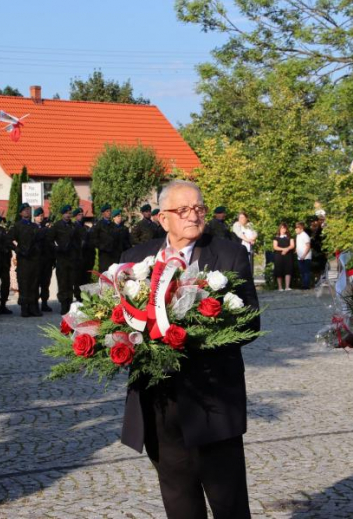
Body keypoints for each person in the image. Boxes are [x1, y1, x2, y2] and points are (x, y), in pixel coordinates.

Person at [120, 179, 260, 519]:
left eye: (198, 208)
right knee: (179, 503)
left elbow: (250, 323)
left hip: (212, 401)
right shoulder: (134, 258)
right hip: (158, 405)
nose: (193, 216)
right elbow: (119, 320)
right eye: (182, 210)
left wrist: (195, 332)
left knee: (229, 505)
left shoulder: (228, 254)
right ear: (162, 218)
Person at [8, 203, 43, 318]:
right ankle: (25, 308)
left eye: (28, 210)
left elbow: (40, 240)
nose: (27, 211)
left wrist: (36, 248)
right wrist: (18, 250)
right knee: (24, 284)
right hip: (23, 260)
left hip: (34, 259)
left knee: (34, 283)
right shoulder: (17, 226)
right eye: (24, 210)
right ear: (20, 213)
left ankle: (34, 307)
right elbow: (9, 239)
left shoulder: (34, 226)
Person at [50, 205, 80, 315]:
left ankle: (69, 302)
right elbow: (50, 241)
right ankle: (63, 304)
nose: (68, 215)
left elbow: (77, 241)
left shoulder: (73, 226)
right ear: (62, 214)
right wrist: (57, 248)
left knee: (71, 282)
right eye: (66, 213)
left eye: (69, 213)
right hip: (62, 258)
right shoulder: (57, 226)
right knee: (63, 282)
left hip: (71, 258)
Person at [34, 207, 54, 313]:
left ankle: (44, 303)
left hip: (47, 259)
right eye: (38, 216)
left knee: (46, 283)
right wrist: (45, 229)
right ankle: (35, 304)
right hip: (37, 260)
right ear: (35, 217)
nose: (40, 217)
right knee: (36, 283)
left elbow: (51, 243)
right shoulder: (33, 227)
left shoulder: (47, 228)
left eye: (42, 215)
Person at [90, 203, 118, 274]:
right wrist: (102, 246)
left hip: (113, 254)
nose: (109, 213)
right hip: (104, 255)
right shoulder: (99, 225)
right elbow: (94, 239)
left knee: (114, 274)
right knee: (104, 274)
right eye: (107, 211)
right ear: (103, 213)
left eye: (110, 211)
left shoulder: (113, 225)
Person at [74, 207, 94, 294]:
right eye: (79, 215)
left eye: (82, 214)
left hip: (88, 257)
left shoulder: (86, 228)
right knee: (78, 278)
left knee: (87, 278)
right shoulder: (73, 227)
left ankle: (86, 296)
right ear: (75, 216)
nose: (81, 216)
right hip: (78, 257)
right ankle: (78, 295)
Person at [272, 222, 294, 291]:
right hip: (278, 256)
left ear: (286, 229)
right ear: (279, 229)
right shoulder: (276, 238)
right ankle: (280, 287)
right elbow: (275, 247)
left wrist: (287, 249)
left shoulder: (290, 237)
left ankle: (287, 287)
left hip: (288, 255)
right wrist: (283, 249)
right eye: (281, 228)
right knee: (279, 270)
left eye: (284, 228)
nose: (283, 229)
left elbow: (292, 245)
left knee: (288, 270)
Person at [308, 216, 327, 287]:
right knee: (314, 267)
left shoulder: (321, 230)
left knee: (321, 266)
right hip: (314, 251)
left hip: (320, 250)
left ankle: (321, 279)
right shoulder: (310, 231)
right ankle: (316, 280)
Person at [294, 222, 311, 290]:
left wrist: (304, 255)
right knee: (302, 271)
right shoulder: (298, 235)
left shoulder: (305, 235)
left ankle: (306, 285)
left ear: (301, 228)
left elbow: (308, 246)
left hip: (306, 257)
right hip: (300, 256)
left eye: (297, 228)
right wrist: (296, 250)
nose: (295, 229)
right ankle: (303, 284)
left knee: (306, 271)